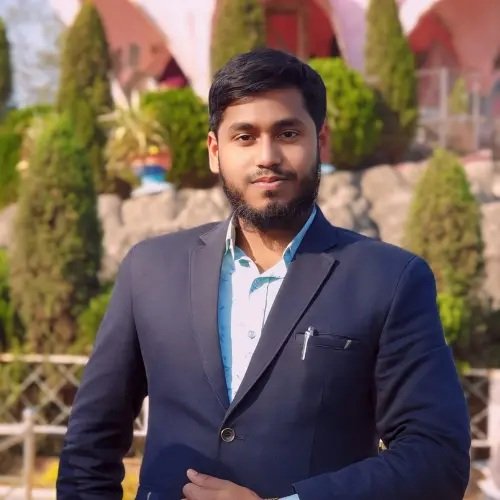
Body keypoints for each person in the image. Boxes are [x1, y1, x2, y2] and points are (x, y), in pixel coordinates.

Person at [57, 48, 470, 500]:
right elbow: (89, 447)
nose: (267, 156)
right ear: (215, 151)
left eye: (288, 133)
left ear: (322, 142)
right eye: (245, 136)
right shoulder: (150, 270)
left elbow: (436, 456)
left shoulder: (388, 279)